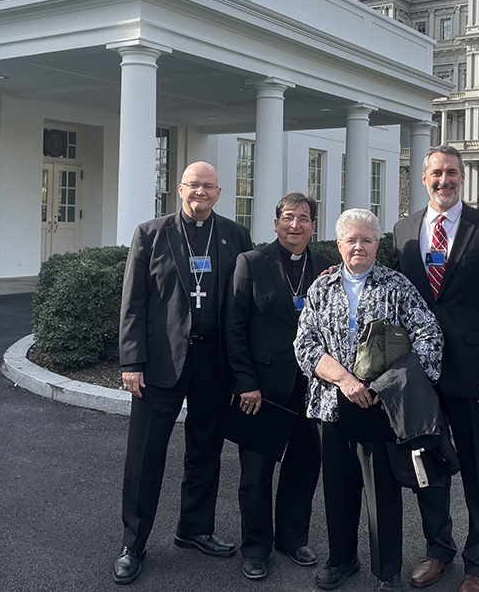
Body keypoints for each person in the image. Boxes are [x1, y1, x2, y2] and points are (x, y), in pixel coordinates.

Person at [112, 161, 252, 585]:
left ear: (219, 192)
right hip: (160, 362)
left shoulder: (235, 235)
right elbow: (133, 301)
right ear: (180, 188)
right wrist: (131, 360)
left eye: (208, 187)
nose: (201, 193)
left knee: (205, 451)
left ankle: (195, 529)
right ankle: (133, 544)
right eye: (194, 185)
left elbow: (245, 300)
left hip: (214, 362)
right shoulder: (150, 233)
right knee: (145, 455)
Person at [294, 209, 444, 592]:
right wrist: (344, 379)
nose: (358, 246)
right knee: (338, 490)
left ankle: (387, 571)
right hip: (330, 406)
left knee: (382, 494)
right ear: (339, 244)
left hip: (379, 411)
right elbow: (304, 344)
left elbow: (430, 337)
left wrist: (389, 388)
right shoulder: (321, 288)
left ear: (378, 244)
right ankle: (342, 559)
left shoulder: (395, 286)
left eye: (367, 239)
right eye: (351, 240)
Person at [392, 145, 479, 592]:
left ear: (462, 177)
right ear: (423, 178)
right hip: (420, 378)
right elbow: (392, 292)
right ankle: (438, 549)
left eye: (452, 173)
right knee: (428, 467)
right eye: (436, 173)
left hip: (476, 376)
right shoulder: (403, 230)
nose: (444, 180)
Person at [226, 193, 332, 581]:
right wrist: (245, 383)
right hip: (263, 389)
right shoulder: (251, 263)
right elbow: (234, 328)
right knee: (256, 473)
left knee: (304, 467)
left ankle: (292, 536)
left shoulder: (324, 267)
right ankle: (256, 547)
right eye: (288, 217)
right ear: (275, 223)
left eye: (303, 218)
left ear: (313, 226)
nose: (295, 225)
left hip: (312, 388)